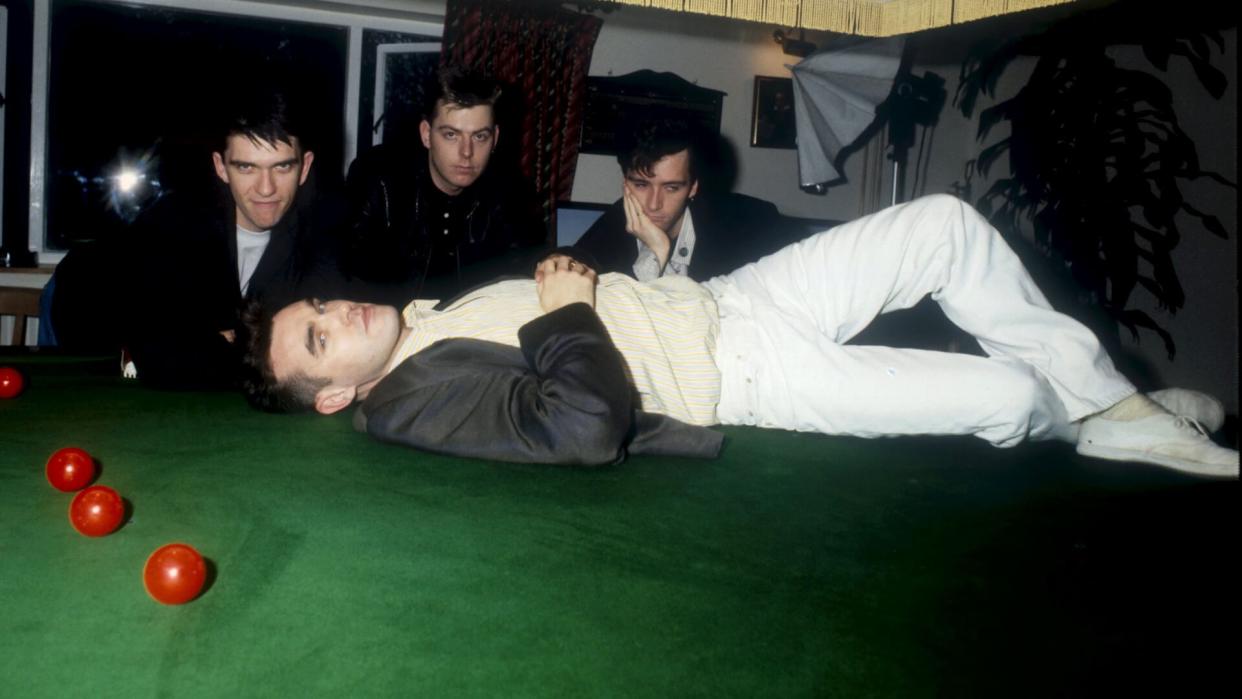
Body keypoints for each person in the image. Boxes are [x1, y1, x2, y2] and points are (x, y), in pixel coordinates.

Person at [239, 194, 1237, 477]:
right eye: (320, 344)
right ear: (333, 396)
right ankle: (1087, 413)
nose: (339, 316)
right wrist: (564, 305)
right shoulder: (410, 403)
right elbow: (582, 426)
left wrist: (632, 276)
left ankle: (1111, 406)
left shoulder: (418, 322)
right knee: (1012, 398)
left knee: (941, 223)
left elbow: (600, 326)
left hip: (735, 298)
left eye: (320, 311)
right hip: (749, 374)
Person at [52, 87, 348, 389]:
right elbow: (167, 357)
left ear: (304, 167)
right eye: (246, 167)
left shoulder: (322, 230)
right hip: (81, 300)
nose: (266, 188)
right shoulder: (178, 224)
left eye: (282, 166)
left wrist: (226, 339)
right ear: (221, 167)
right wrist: (234, 342)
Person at [341, 66, 545, 306]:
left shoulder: (508, 191)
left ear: (495, 139)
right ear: (426, 134)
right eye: (451, 135)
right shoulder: (378, 180)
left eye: (480, 136)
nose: (467, 152)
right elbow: (345, 277)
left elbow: (524, 273)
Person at [572, 119, 804, 283]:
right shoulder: (614, 223)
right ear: (626, 183)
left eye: (671, 187)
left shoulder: (753, 222)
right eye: (641, 185)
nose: (653, 204)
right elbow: (569, 261)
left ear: (693, 186)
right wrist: (655, 251)